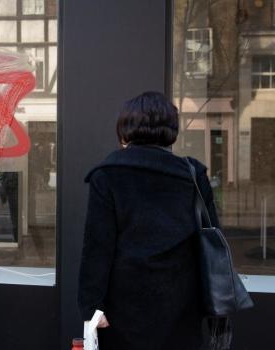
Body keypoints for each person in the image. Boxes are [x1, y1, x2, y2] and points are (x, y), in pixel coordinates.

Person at [78, 91, 218, 349]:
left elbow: (98, 247)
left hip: (123, 306)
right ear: (171, 130)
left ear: (125, 130)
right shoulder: (193, 174)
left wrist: (91, 307)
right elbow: (210, 238)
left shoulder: (108, 174)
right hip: (182, 303)